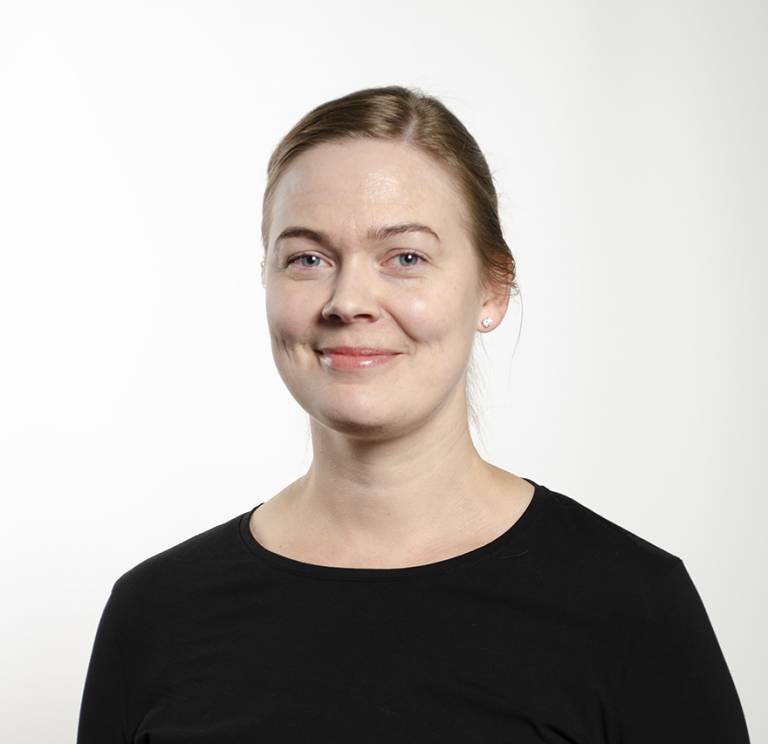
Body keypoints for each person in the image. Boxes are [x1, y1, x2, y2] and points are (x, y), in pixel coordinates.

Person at [76, 85, 751, 743]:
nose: (348, 301)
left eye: (405, 257)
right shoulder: (156, 612)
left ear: (492, 289)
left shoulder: (630, 604)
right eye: (307, 258)